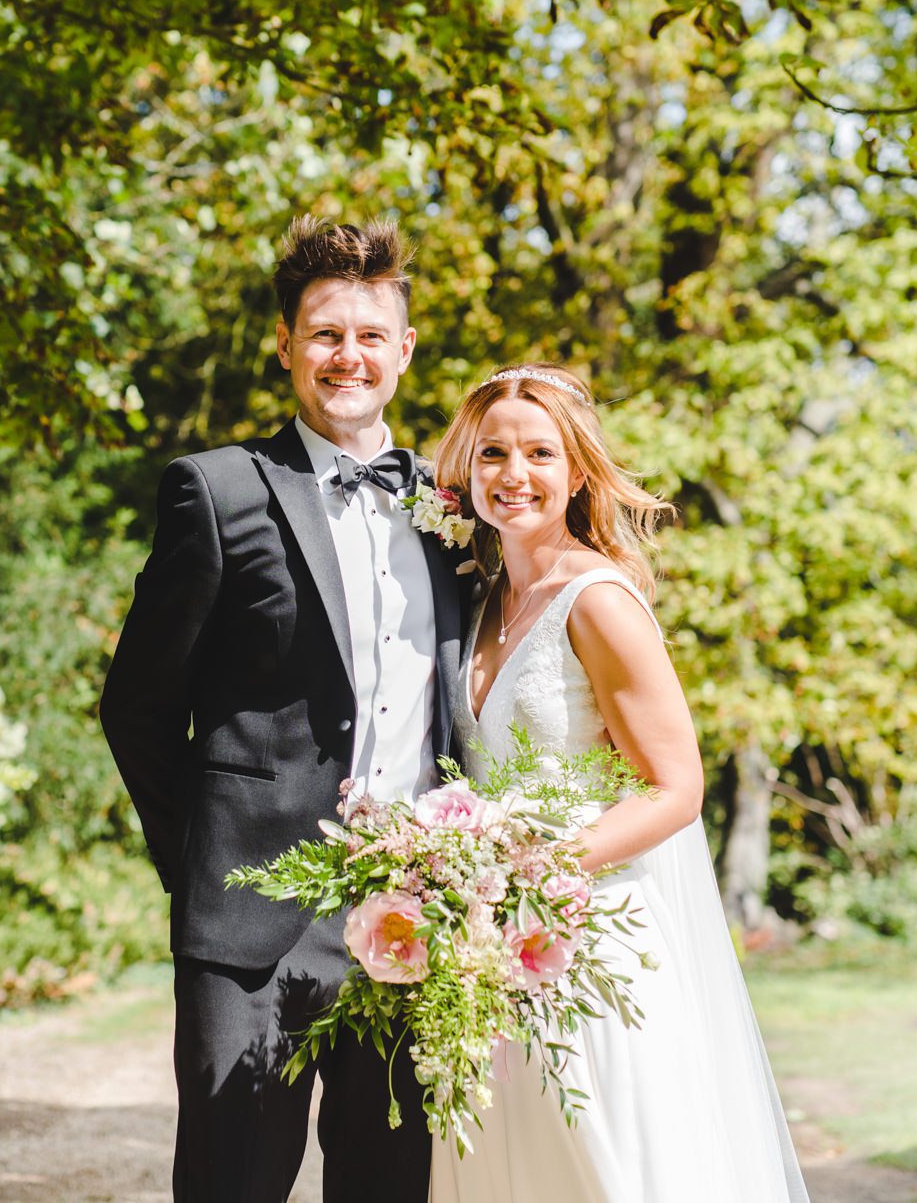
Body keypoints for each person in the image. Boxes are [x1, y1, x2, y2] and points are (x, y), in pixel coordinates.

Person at [99, 216, 472, 1203]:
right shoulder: (215, 492)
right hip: (249, 920)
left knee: (390, 1182)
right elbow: (136, 706)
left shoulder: (450, 505)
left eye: (366, 334)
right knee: (232, 1183)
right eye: (322, 333)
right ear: (284, 344)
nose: (345, 355)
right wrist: (204, 857)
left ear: (403, 348)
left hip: (410, 916)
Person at [427, 363, 809, 1203]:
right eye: (493, 452)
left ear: (577, 472)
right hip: (495, 947)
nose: (514, 474)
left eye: (540, 453)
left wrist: (537, 867)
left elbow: (677, 786)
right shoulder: (482, 599)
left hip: (593, 937)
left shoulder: (598, 601)